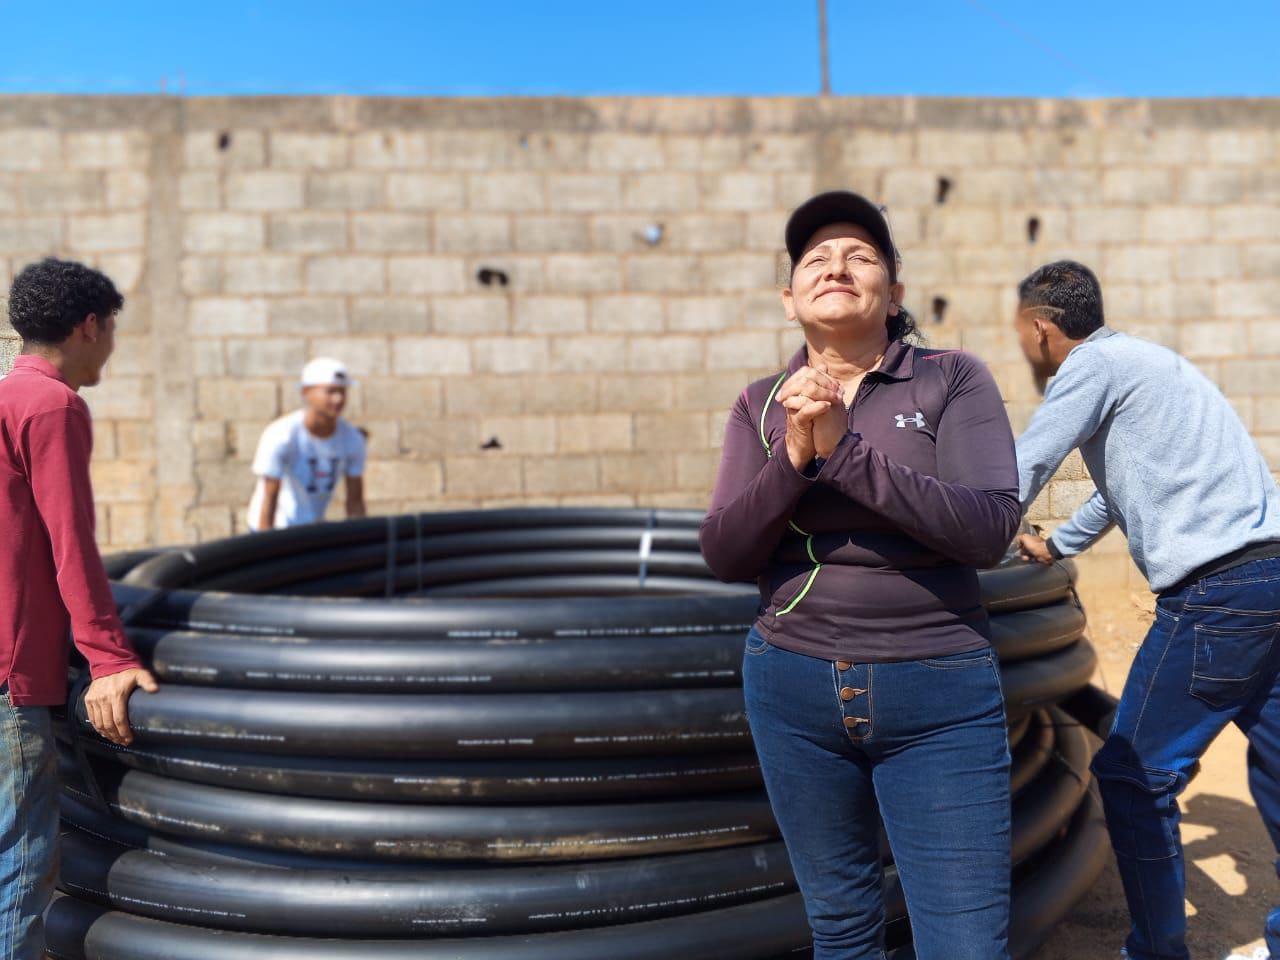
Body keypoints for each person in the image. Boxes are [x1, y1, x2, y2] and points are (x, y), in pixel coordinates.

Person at [699, 191, 1021, 959]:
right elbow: (725, 552)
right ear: (789, 300)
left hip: (938, 689)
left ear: (895, 292)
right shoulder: (760, 404)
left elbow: (988, 528)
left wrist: (846, 453)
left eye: (860, 256)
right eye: (815, 258)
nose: (836, 266)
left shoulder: (950, 379)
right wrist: (794, 459)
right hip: (791, 688)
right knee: (842, 931)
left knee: (966, 944)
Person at [1014, 260, 1280, 960]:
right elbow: (1122, 487)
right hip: (1271, 579)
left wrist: (960, 530)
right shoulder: (1152, 364)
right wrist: (1058, 543)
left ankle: (1156, 953)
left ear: (1040, 329)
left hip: (1218, 595)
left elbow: (1028, 463)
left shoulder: (1089, 367)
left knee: (1133, 777)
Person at [0, 258, 159, 960]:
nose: (111, 348)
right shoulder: (51, 405)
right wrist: (109, 658)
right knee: (20, 867)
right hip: (10, 678)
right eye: (112, 330)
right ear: (88, 326)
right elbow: (70, 540)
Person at [247, 357, 367, 532]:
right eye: (330, 391)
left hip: (311, 528)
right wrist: (264, 542)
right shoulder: (282, 435)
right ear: (306, 392)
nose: (338, 399)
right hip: (277, 528)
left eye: (342, 391)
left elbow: (355, 500)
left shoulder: (352, 439)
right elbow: (269, 498)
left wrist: (360, 539)